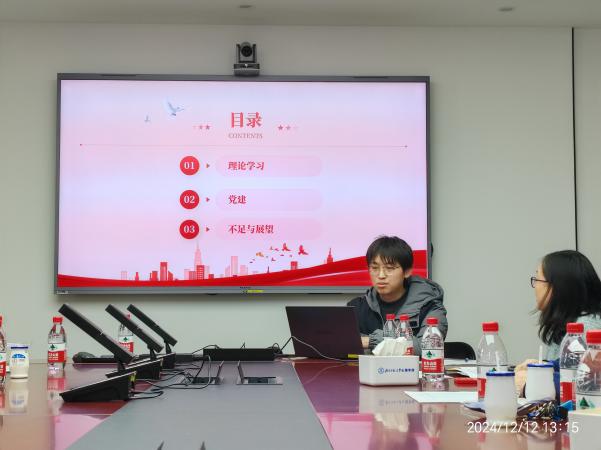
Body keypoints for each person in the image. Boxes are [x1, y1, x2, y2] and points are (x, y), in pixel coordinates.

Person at [515, 250, 601, 395]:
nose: (535, 286)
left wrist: (532, 382)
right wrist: (543, 367)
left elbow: (582, 385)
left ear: (558, 287)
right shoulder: (568, 323)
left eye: (538, 279)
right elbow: (568, 369)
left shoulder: (586, 329)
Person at [347, 236, 447, 354]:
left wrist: (371, 341)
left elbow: (427, 347)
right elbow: (341, 344)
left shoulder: (430, 306)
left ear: (407, 271)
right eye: (374, 268)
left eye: (389, 268)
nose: (381, 275)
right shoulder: (356, 307)